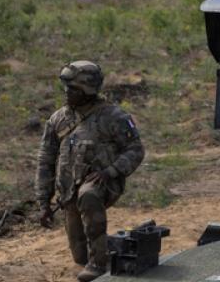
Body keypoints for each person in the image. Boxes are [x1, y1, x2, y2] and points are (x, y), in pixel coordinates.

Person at [36, 61, 145, 282]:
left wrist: (110, 171)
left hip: (103, 184)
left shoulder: (114, 117)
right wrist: (44, 202)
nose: (67, 92)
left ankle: (98, 263)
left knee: (89, 195)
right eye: (66, 87)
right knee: (79, 256)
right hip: (68, 189)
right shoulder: (58, 120)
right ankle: (104, 251)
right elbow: (45, 160)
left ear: (88, 90)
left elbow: (135, 150)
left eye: (73, 89)